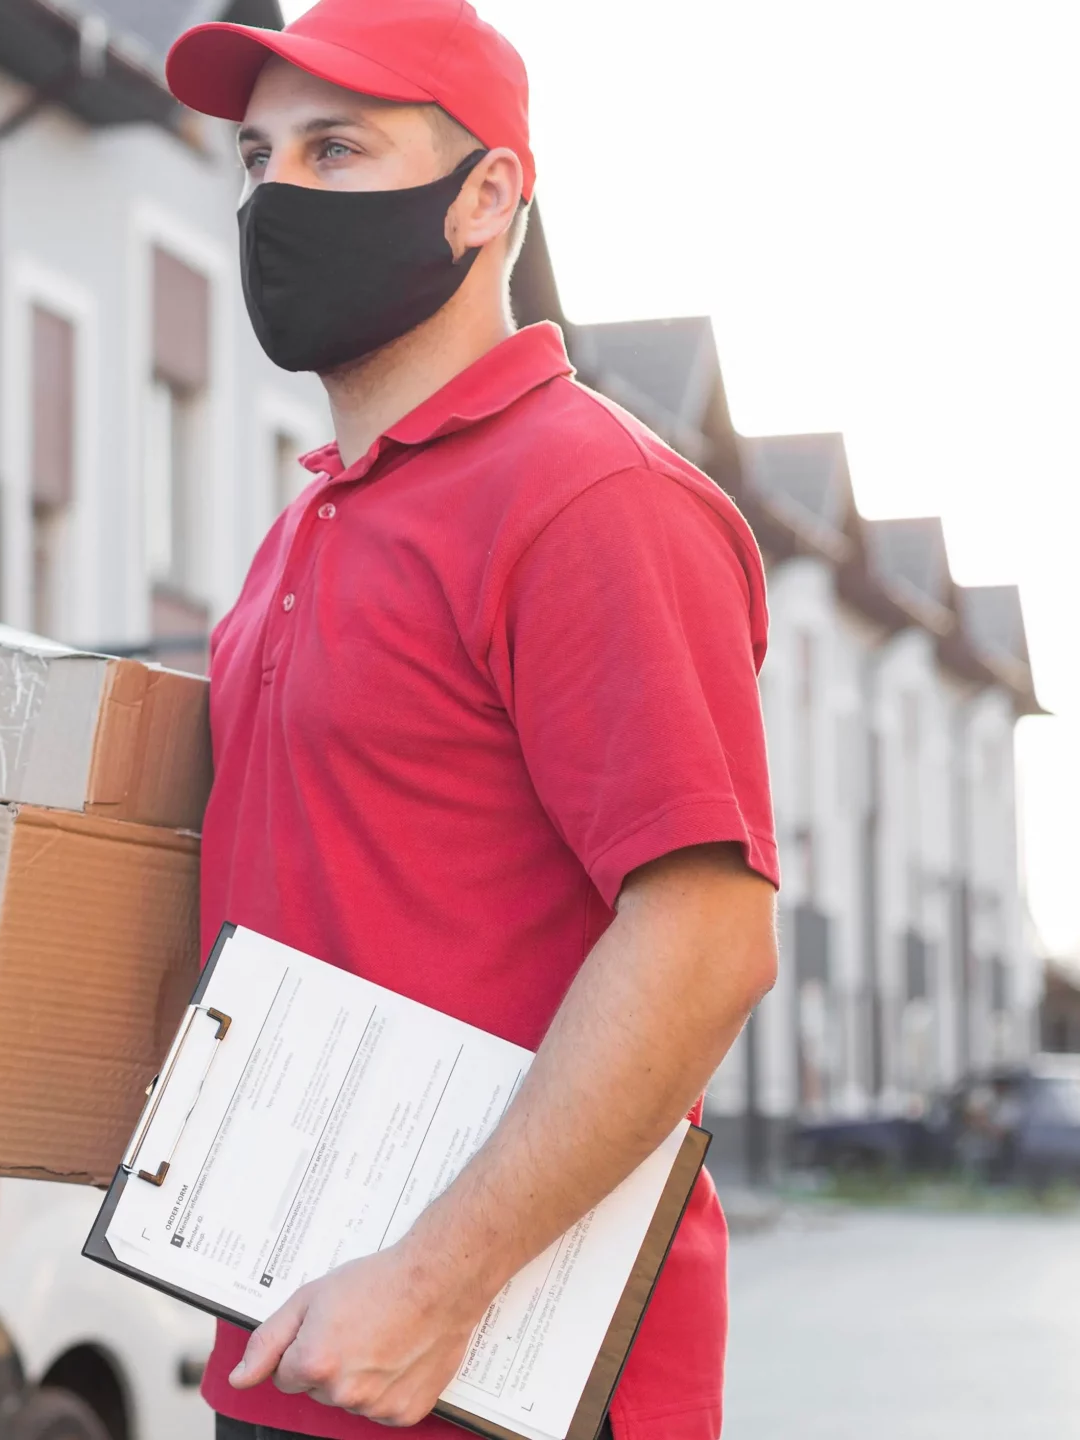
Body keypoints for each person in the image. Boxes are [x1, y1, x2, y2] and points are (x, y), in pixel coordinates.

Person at [159, 3, 780, 1438]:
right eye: (258, 158)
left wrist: (438, 1286)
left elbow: (705, 940)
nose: (278, 198)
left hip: (510, 1376)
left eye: (338, 147)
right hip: (292, 1346)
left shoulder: (591, 500)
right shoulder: (307, 523)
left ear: (490, 195)